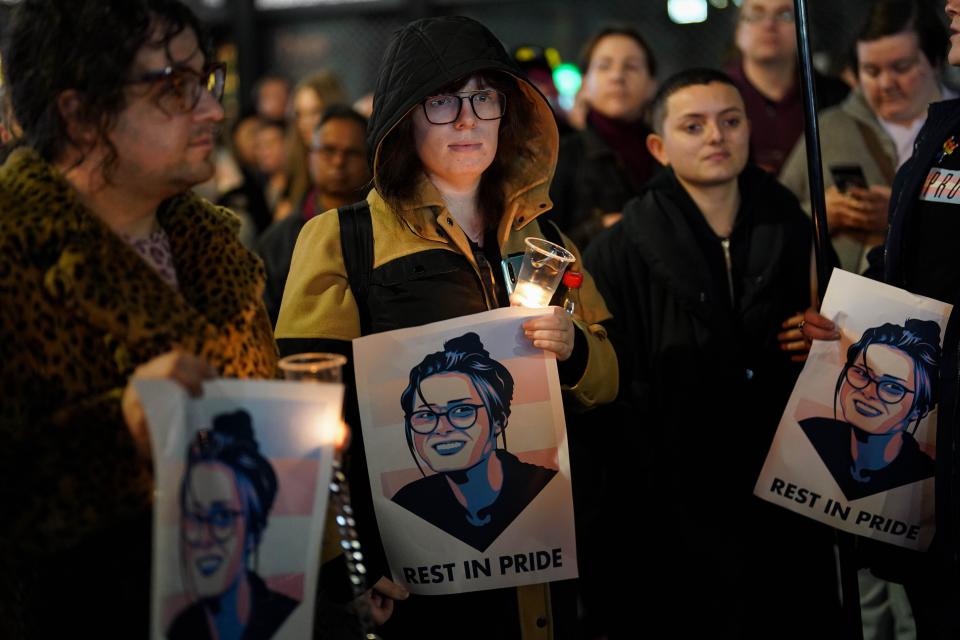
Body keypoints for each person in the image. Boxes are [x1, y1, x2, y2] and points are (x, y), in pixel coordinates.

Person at [275, 15, 617, 639]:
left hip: (536, 562)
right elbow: (303, 413)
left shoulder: (544, 238)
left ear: (505, 113)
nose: (466, 119)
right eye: (441, 100)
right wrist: (344, 564)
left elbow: (610, 379)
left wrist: (572, 351)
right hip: (412, 581)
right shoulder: (341, 241)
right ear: (404, 116)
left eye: (484, 97)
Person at [0, 1, 278, 636]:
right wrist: (116, 435)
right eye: (175, 89)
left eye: (207, 80)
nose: (211, 109)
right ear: (81, 114)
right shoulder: (15, 253)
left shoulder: (217, 250)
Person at [584, 68, 841, 638]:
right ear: (658, 146)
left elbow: (833, 328)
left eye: (730, 121)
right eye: (693, 126)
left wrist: (821, 330)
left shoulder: (795, 226)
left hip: (783, 484)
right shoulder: (618, 249)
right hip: (674, 496)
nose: (715, 137)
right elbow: (613, 380)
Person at [801, 3, 960, 634]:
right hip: (927, 443)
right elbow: (918, 268)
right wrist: (849, 316)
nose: (949, 4)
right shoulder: (946, 130)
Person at [780, 0, 952, 273]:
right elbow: (776, 219)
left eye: (901, 67)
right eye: (871, 71)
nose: (886, 83)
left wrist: (899, 214)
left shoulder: (954, 128)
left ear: (936, 61)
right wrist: (822, 215)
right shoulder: (829, 128)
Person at [392, 332, 557, 552]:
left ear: (498, 421)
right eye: (426, 415)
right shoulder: (408, 504)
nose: (442, 428)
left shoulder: (547, 490)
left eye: (461, 411)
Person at [169, 410, 298, 640]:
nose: (204, 537)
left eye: (222, 518)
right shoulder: (177, 629)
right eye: (195, 517)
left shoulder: (291, 620)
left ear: (253, 532)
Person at [799, 320, 939, 501]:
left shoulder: (926, 478)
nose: (868, 391)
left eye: (892, 387)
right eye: (862, 373)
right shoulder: (808, 433)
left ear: (919, 410)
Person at [548, 25, 660, 249]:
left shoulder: (668, 153)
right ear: (585, 83)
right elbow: (541, 241)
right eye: (604, 66)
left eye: (631, 66)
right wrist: (597, 229)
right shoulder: (559, 155)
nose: (617, 76)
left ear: (651, 85)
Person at [257, 105, 370, 325]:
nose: (338, 162)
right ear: (311, 154)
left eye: (352, 153)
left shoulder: (388, 231)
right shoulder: (278, 241)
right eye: (328, 150)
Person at [727, 0, 849, 174]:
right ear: (738, 32)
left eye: (784, 15)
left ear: (805, 27)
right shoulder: (716, 97)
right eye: (756, 15)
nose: (769, 25)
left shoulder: (835, 96)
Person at [276, 70, 349, 221]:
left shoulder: (350, 161)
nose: (305, 123)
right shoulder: (297, 163)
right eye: (300, 114)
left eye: (315, 112)